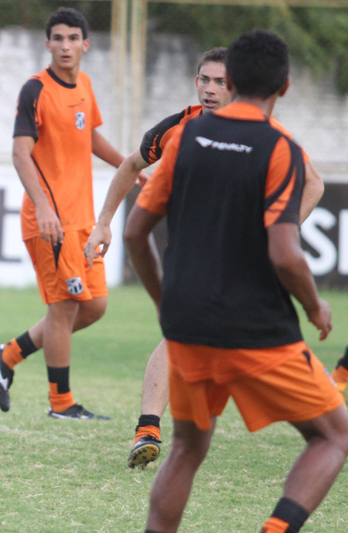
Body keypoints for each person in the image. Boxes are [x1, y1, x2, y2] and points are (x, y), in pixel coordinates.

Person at [123, 29, 348, 533]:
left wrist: (166, 301)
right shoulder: (281, 146)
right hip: (255, 328)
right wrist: (314, 306)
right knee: (334, 436)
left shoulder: (186, 137)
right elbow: (285, 253)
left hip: (188, 325)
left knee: (187, 446)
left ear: (234, 80)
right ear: (283, 87)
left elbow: (136, 231)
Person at [84, 48, 324, 468]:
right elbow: (130, 166)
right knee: (178, 338)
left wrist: (277, 234)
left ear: (236, 86)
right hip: (197, 257)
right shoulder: (181, 126)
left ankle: (323, 428)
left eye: (220, 82)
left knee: (245, 350)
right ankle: (148, 428)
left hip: (243, 267)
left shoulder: (265, 132)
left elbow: (314, 184)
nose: (211, 89)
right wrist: (102, 222)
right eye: (204, 80)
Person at [0, 7, 148, 420]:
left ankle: (8, 355)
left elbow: (88, 134)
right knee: (64, 309)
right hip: (49, 221)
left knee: (94, 307)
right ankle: (62, 404)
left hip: (83, 220)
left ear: (85, 45)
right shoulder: (34, 90)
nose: (65, 45)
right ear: (48, 44)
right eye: (57, 38)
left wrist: (129, 166)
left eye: (73, 38)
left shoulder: (85, 85)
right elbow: (20, 154)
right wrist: (43, 208)